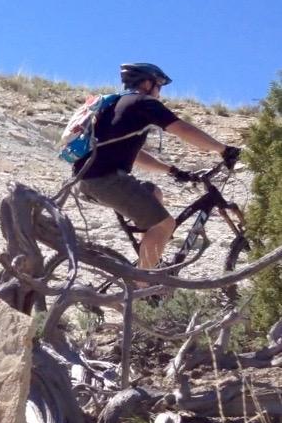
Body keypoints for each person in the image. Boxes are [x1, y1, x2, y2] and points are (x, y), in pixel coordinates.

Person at [75, 62, 240, 274]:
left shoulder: (117, 105)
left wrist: (172, 170)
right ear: (146, 83)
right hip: (105, 180)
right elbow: (182, 129)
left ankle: (148, 264)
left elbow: (134, 156)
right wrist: (223, 149)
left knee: (154, 192)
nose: (159, 92)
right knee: (164, 225)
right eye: (159, 86)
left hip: (88, 179)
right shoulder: (143, 102)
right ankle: (140, 287)